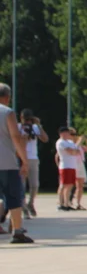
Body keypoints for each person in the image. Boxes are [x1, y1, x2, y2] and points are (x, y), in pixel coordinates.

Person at [0, 84, 33, 243]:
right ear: (7, 97)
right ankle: (17, 231)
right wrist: (24, 161)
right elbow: (15, 136)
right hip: (6, 161)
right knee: (14, 196)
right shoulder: (7, 112)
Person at [19, 109, 47, 218]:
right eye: (26, 119)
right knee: (21, 185)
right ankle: (23, 207)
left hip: (33, 158)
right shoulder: (17, 127)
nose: (27, 122)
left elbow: (45, 139)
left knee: (35, 185)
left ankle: (30, 203)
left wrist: (38, 125)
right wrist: (23, 136)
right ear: (21, 118)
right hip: (21, 158)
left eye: (29, 119)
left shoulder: (35, 128)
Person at [55, 127, 80, 211]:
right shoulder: (60, 142)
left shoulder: (70, 142)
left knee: (70, 185)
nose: (67, 134)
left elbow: (77, 151)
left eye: (68, 133)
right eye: (65, 133)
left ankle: (67, 203)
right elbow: (71, 151)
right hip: (65, 166)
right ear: (61, 134)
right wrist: (73, 151)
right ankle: (60, 203)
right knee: (63, 185)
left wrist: (74, 151)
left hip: (72, 166)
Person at [70, 127, 87, 210]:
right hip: (71, 164)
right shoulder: (68, 143)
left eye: (75, 134)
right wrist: (80, 140)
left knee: (80, 185)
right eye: (72, 134)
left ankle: (78, 203)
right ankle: (66, 201)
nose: (74, 136)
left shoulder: (79, 144)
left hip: (80, 164)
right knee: (68, 185)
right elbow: (74, 148)